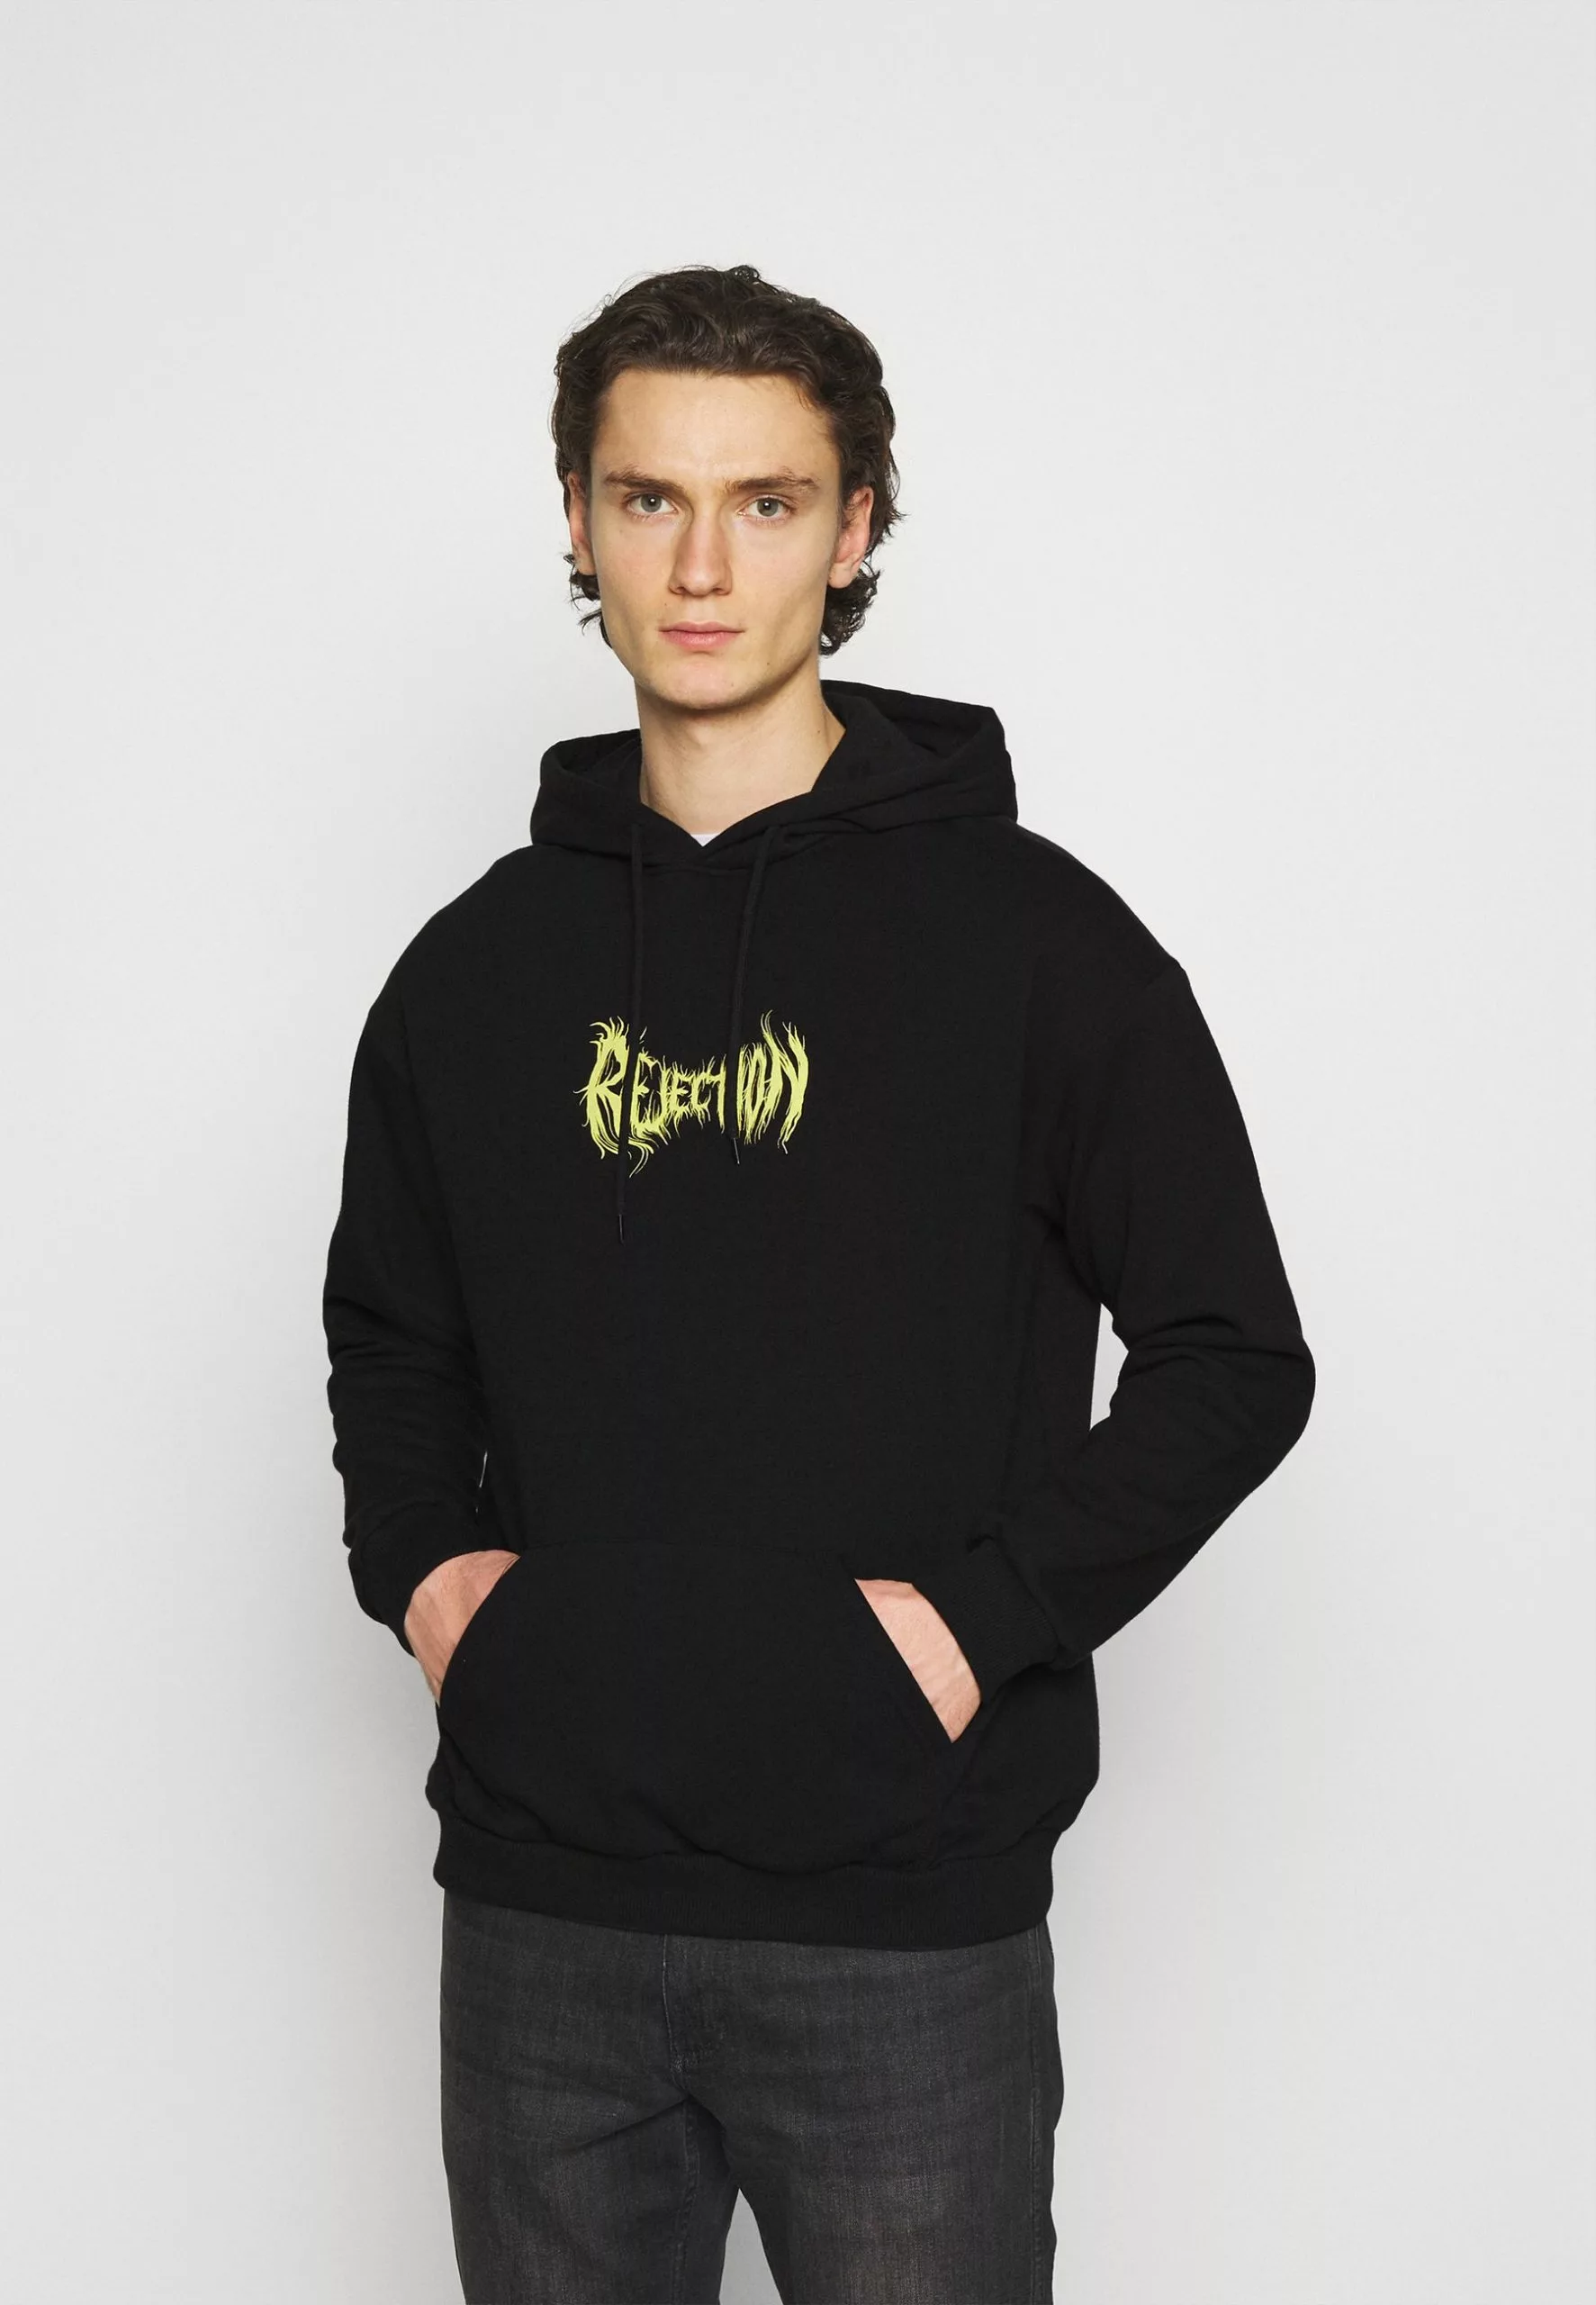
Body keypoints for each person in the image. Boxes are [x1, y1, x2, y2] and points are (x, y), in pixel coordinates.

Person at [322, 262, 1316, 2304]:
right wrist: (434, 1587)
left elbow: (1234, 1354)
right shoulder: (473, 970)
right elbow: (393, 1341)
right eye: (649, 498)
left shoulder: (1039, 945)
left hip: (902, 1927)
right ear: (580, 520)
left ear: (854, 528)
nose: (701, 566)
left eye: (765, 502)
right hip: (540, 1921)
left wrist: (974, 1626)